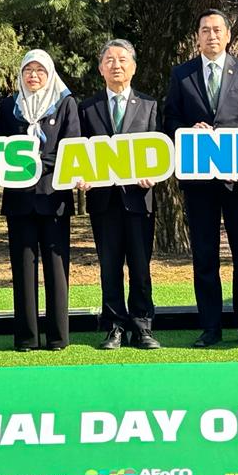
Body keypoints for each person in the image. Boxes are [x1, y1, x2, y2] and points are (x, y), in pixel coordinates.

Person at [164, 9, 238, 348]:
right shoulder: (182, 75)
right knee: (204, 256)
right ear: (197, 36)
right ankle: (210, 326)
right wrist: (187, 130)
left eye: (217, 30)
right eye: (204, 30)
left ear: (228, 36)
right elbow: (170, 123)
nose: (211, 35)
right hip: (199, 183)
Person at [79, 39, 161, 350]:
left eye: (122, 60)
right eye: (110, 60)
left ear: (134, 67)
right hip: (103, 201)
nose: (116, 65)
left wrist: (153, 174)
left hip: (139, 201)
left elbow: (161, 153)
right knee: (109, 266)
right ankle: (114, 326)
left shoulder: (150, 106)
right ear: (100, 68)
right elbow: (79, 152)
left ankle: (142, 326)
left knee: (140, 267)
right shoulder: (87, 108)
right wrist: (81, 176)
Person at [1, 50, 81, 351]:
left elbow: (72, 147)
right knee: (22, 268)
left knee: (57, 268)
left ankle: (58, 337)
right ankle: (26, 337)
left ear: (50, 74)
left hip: (54, 197)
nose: (33, 76)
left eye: (40, 71)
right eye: (27, 70)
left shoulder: (65, 103)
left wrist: (38, 163)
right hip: (19, 199)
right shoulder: (11, 105)